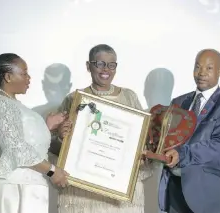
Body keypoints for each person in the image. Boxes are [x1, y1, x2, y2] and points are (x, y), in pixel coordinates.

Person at [49, 44, 153, 213]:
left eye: (112, 65)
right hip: (83, 191)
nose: (106, 69)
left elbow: (141, 138)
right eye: (100, 64)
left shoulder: (129, 97)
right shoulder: (74, 99)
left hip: (118, 186)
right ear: (88, 66)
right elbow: (53, 147)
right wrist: (61, 136)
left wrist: (142, 152)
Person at [0, 53, 69, 213]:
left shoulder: (11, 104)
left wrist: (47, 126)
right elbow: (15, 147)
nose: (29, 78)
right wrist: (52, 171)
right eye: (24, 73)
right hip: (8, 188)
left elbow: (18, 136)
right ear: (8, 76)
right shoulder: (0, 104)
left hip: (21, 186)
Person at [157, 49, 220, 213]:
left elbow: (218, 145)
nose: (202, 73)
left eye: (209, 68)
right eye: (198, 67)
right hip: (173, 190)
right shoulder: (178, 102)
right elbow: (166, 139)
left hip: (206, 194)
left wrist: (181, 154)